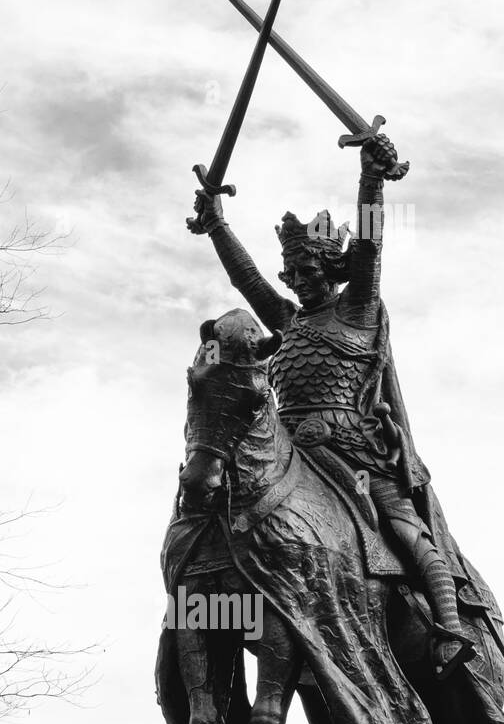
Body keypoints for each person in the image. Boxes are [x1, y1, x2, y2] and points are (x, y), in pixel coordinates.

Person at [190, 133, 474, 678]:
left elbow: (370, 247)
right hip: (292, 452)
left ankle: (449, 624)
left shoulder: (359, 309)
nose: (297, 281)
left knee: (403, 528)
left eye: (307, 271)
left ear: (331, 268)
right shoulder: (288, 322)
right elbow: (244, 278)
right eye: (291, 274)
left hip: (355, 454)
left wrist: (371, 179)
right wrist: (217, 223)